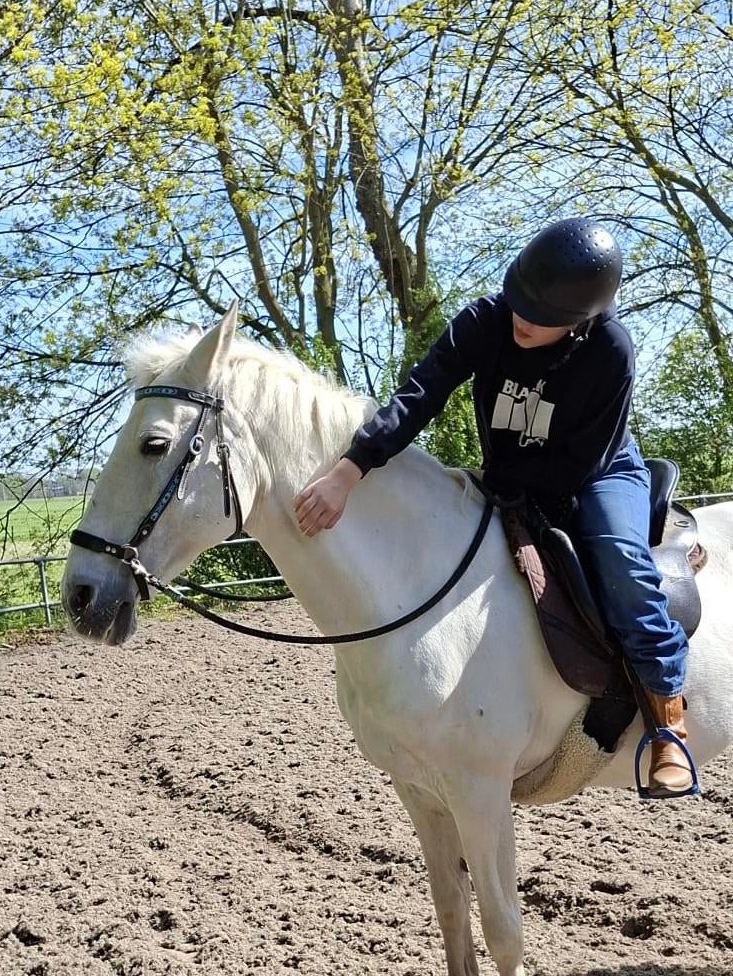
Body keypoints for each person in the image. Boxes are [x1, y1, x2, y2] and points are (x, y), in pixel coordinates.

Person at [293, 217, 694, 797]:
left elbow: (578, 465)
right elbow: (420, 393)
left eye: (544, 319)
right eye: (520, 306)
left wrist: (501, 483)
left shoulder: (611, 350)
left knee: (621, 562)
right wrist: (348, 471)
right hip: (509, 477)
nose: (523, 323)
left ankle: (667, 726)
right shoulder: (488, 320)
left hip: (599, 476)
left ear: (581, 323)